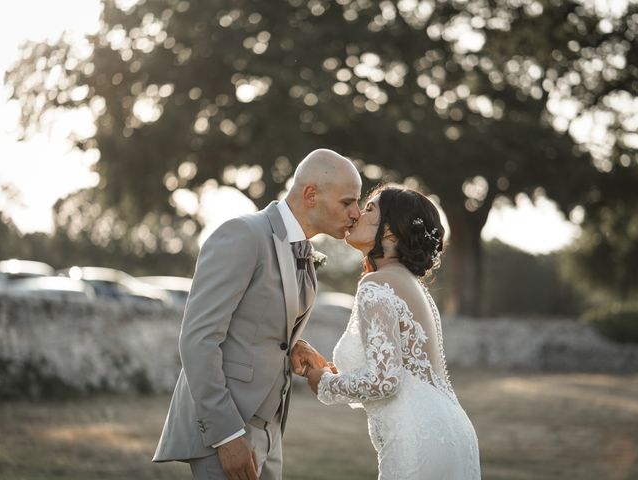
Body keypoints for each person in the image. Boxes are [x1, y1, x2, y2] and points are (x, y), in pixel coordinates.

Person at [153, 149, 362, 480]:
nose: (357, 213)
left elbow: (258, 321)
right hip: (228, 428)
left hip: (271, 430)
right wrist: (226, 436)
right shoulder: (242, 235)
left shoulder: (301, 249)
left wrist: (294, 344)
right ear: (311, 195)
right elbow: (198, 339)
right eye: (348, 202)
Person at [305, 185, 481, 479]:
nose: (358, 213)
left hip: (417, 437)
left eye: (370, 209)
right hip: (453, 430)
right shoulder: (412, 285)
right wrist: (335, 373)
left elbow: (385, 379)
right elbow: (402, 373)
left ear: (390, 232)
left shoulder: (377, 284)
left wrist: (323, 383)